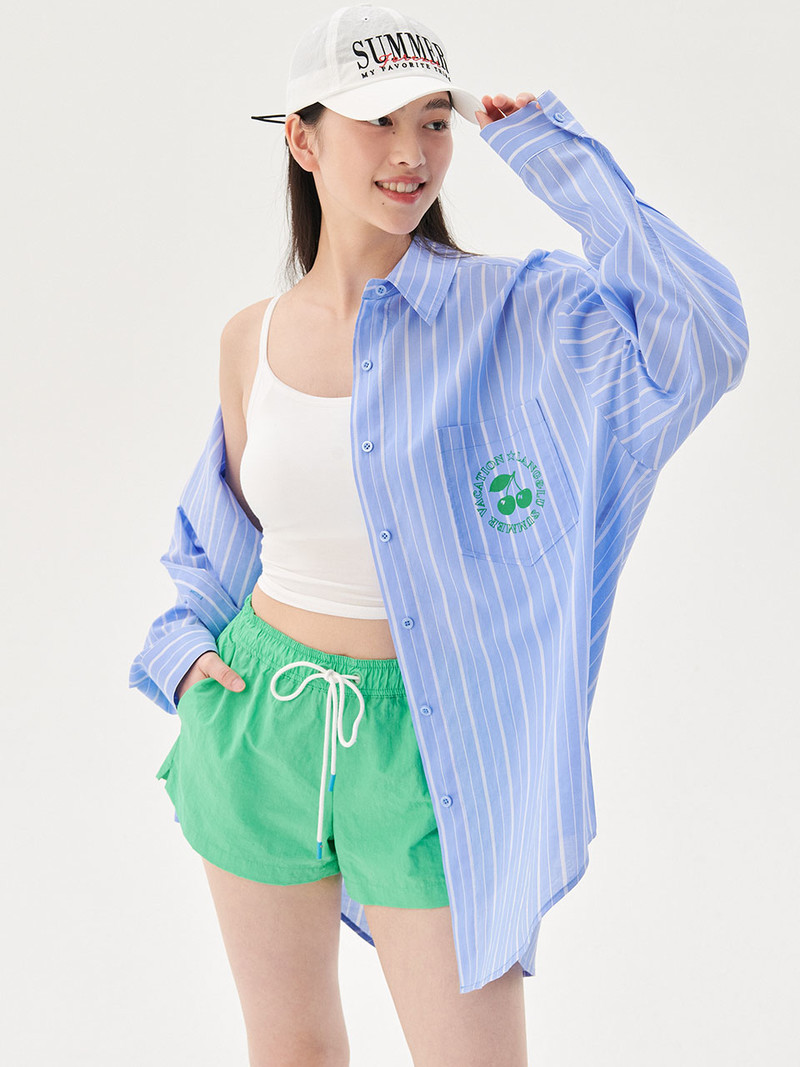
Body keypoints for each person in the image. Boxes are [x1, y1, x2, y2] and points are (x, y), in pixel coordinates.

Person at [129, 4, 749, 1064]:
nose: (412, 153)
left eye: (432, 121)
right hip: (255, 727)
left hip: (431, 745)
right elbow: (217, 536)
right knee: (288, 1048)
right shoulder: (251, 338)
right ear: (303, 138)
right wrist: (183, 653)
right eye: (378, 122)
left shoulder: (518, 312)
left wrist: (557, 159)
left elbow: (701, 340)